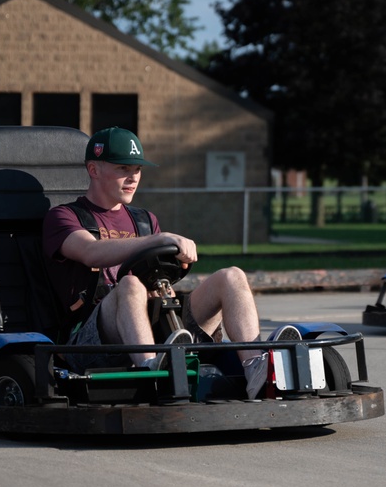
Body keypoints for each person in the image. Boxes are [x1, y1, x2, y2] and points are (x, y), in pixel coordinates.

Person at [42, 127, 298, 399]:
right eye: (122, 168)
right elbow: (90, 252)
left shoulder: (144, 220)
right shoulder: (64, 217)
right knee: (130, 285)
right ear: (94, 169)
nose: (132, 178)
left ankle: (256, 368)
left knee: (231, 276)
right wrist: (157, 240)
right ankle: (153, 374)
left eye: (137, 170)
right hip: (89, 340)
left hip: (149, 323)